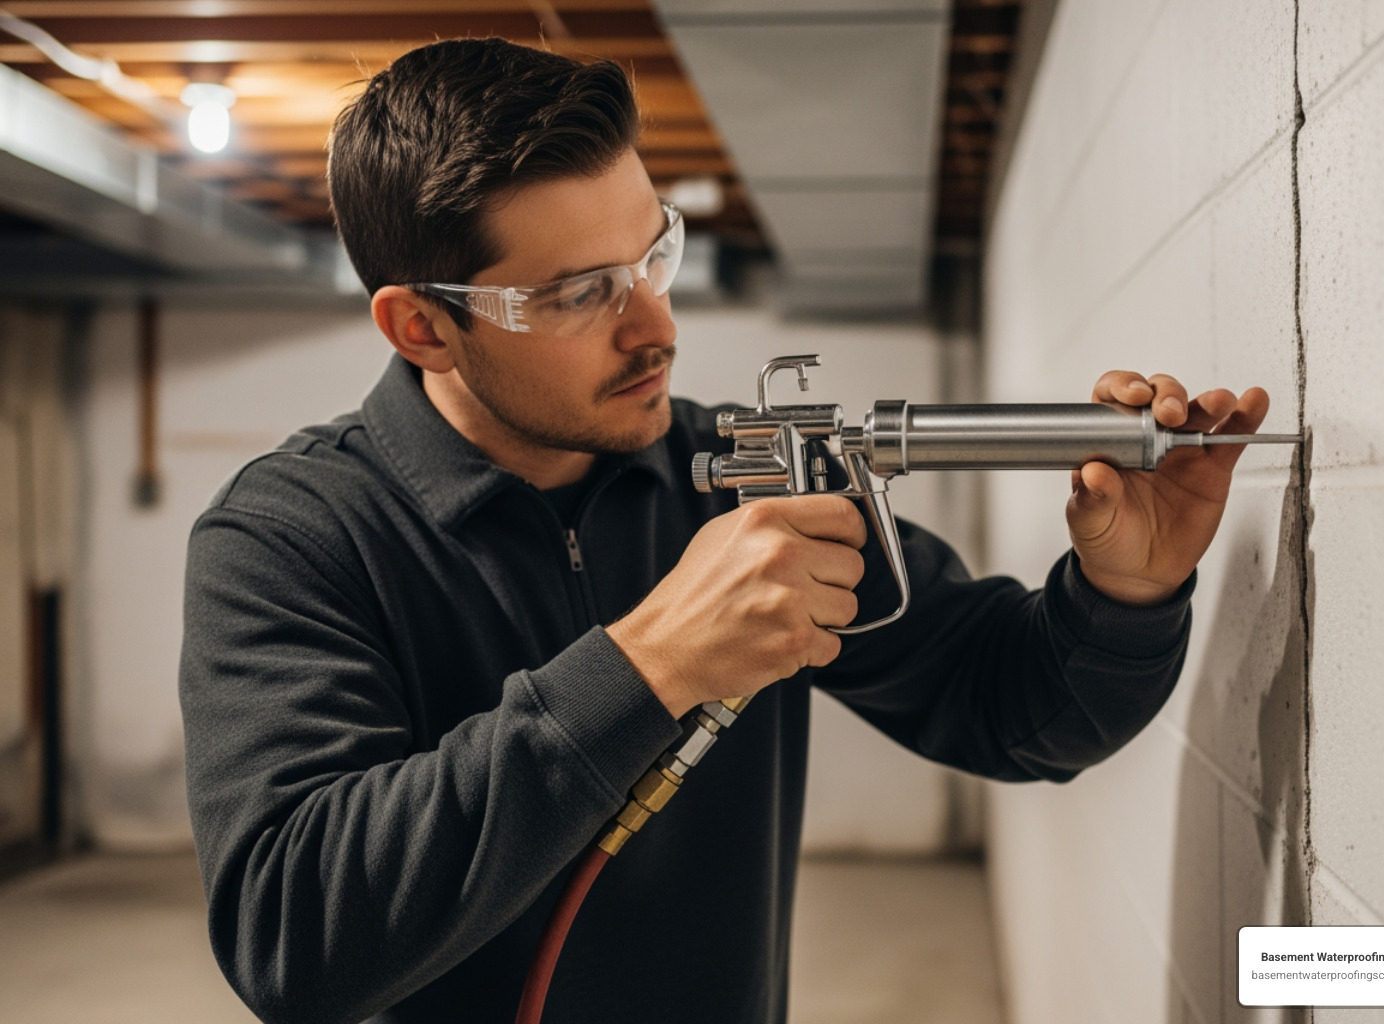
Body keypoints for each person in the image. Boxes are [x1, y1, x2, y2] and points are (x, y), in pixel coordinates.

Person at [178, 37, 1271, 1024]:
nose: (656, 325)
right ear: (424, 325)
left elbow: (1016, 712)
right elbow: (294, 939)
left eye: (655, 253)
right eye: (579, 294)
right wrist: (646, 662)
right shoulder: (289, 538)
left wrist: (1125, 594)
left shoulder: (753, 476)